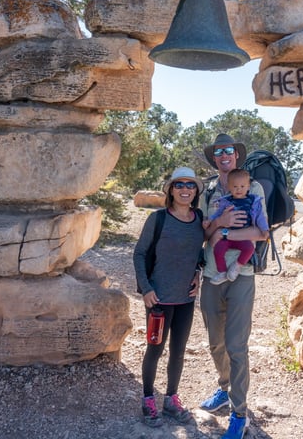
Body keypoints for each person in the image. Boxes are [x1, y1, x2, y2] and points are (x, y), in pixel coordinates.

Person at [198, 134, 269, 439]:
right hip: (212, 275)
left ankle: (239, 413)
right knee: (216, 342)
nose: (224, 155)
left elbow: (261, 233)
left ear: (237, 156)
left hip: (242, 275)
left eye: (229, 151)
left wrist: (225, 231)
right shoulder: (210, 189)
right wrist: (219, 223)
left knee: (237, 345)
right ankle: (224, 388)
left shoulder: (254, 188)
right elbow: (202, 232)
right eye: (219, 152)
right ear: (214, 158)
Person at [133, 166, 205, 428]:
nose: (185, 189)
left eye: (190, 185)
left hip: (186, 300)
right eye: (179, 185)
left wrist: (198, 273)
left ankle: (171, 400)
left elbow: (198, 253)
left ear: (196, 191)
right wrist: (146, 288)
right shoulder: (158, 219)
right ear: (170, 190)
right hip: (159, 300)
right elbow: (140, 253)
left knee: (178, 351)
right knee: (155, 350)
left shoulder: (199, 218)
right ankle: (148, 399)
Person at [203, 168, 269, 285]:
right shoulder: (225, 201)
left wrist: (264, 229)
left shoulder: (253, 201)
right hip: (222, 247)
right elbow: (218, 214)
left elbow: (260, 218)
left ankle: (238, 265)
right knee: (218, 249)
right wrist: (211, 221)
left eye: (242, 187)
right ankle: (222, 271)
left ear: (248, 186)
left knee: (249, 248)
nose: (239, 189)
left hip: (240, 240)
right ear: (229, 187)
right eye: (235, 187)